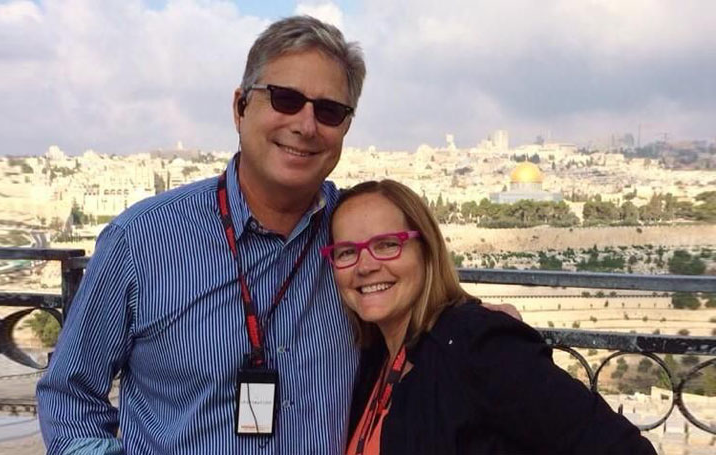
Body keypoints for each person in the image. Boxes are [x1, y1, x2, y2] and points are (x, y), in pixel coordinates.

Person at [36, 15, 516, 455]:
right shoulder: (142, 240)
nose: (305, 126)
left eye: (329, 111)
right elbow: (69, 397)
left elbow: (421, 299)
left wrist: (476, 325)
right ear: (240, 107)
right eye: (285, 99)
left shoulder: (355, 242)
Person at [321, 180, 657, 455]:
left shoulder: (478, 345)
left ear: (426, 251)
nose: (365, 266)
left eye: (386, 245)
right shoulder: (373, 358)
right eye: (347, 252)